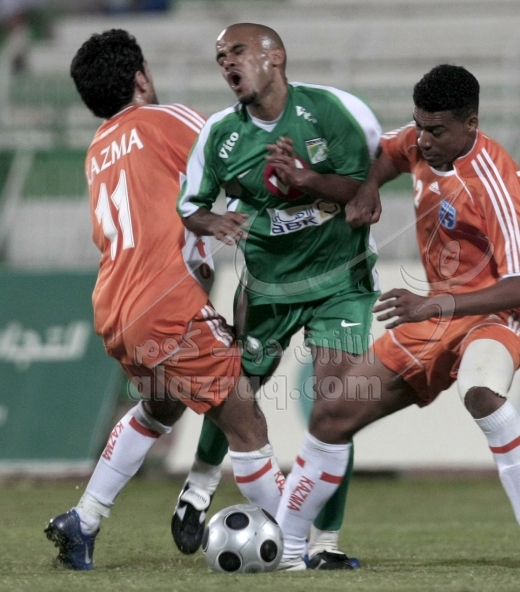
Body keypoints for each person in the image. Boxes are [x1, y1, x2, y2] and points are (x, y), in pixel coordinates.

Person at [273, 64, 520, 571]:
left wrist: (435, 304)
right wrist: (368, 189)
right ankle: (286, 550)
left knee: (479, 391)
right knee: (332, 413)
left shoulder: (495, 180)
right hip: (438, 313)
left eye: (436, 131)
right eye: (419, 125)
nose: (423, 140)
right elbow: (385, 155)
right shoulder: (419, 141)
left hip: (500, 311)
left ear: (471, 124)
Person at [44, 29, 282, 571]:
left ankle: (83, 520)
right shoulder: (166, 120)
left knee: (161, 406)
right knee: (246, 422)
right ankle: (293, 550)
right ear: (141, 77)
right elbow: (241, 159)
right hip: (164, 303)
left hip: (116, 307)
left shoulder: (98, 149)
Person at [175, 22, 381, 570]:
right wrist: (213, 222)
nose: (227, 63)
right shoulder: (221, 134)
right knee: (238, 390)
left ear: (275, 56)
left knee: (337, 406)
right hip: (267, 287)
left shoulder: (332, 111)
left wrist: (306, 179)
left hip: (340, 281)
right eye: (220, 57)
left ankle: (324, 544)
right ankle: (199, 484)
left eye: (237, 51)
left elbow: (363, 188)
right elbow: (190, 205)